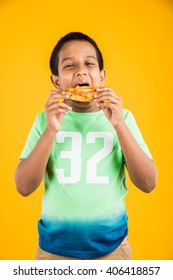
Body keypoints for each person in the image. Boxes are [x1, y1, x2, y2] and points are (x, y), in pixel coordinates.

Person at [14, 32, 157, 260]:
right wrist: (51, 130)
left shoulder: (123, 118)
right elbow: (23, 186)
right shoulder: (44, 121)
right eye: (69, 65)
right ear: (56, 81)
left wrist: (119, 125)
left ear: (101, 76)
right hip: (54, 252)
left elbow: (149, 183)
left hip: (112, 250)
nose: (81, 71)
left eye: (89, 63)